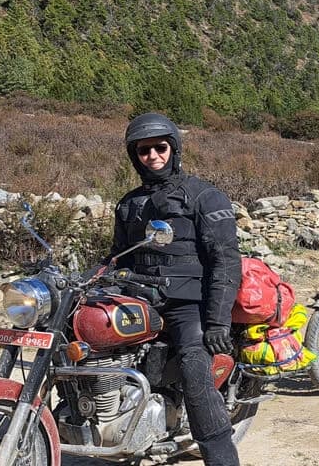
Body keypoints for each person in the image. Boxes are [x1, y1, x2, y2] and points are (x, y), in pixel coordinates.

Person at [108, 113, 243, 466]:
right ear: (134, 155)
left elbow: (225, 261)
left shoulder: (205, 196)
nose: (152, 156)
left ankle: (222, 459)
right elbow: (118, 257)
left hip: (187, 303)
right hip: (140, 296)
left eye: (160, 147)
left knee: (195, 370)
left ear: (174, 148)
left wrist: (217, 323)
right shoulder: (128, 203)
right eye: (143, 150)